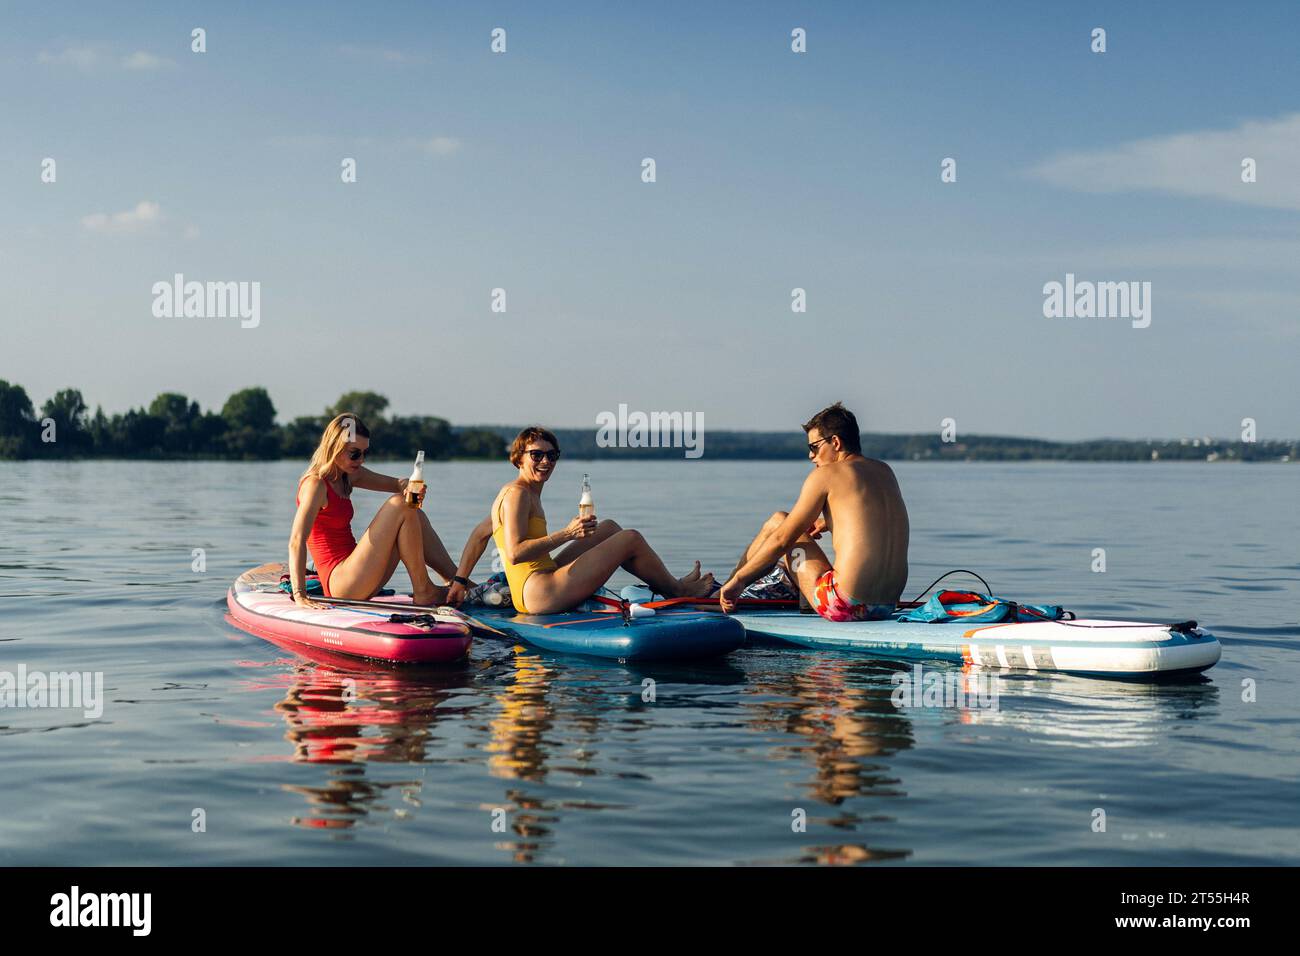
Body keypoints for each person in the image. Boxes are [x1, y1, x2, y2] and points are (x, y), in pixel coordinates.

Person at [448, 426, 716, 614]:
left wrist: (459, 582)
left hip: (540, 579)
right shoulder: (518, 494)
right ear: (518, 458)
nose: (545, 461)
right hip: (539, 593)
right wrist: (567, 533)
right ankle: (677, 590)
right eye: (536, 455)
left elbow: (479, 535)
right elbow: (515, 553)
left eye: (552, 455)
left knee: (609, 528)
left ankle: (668, 582)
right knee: (630, 539)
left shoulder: (515, 493)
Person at [718, 402, 909, 621]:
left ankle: (725, 593)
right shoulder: (885, 471)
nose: (811, 456)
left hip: (845, 605)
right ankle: (799, 599)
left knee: (779, 521)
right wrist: (826, 522)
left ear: (835, 442)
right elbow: (872, 519)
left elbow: (782, 539)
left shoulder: (826, 475)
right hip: (888, 606)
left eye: (814, 447)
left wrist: (741, 579)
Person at [287, 413, 459, 608]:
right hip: (340, 583)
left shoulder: (348, 476)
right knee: (400, 505)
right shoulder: (315, 484)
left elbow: (396, 484)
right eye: (354, 453)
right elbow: (296, 541)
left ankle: (458, 581)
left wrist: (409, 486)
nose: (361, 460)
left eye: (364, 453)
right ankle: (424, 590)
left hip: (361, 575)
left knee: (413, 512)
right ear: (335, 447)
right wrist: (300, 595)